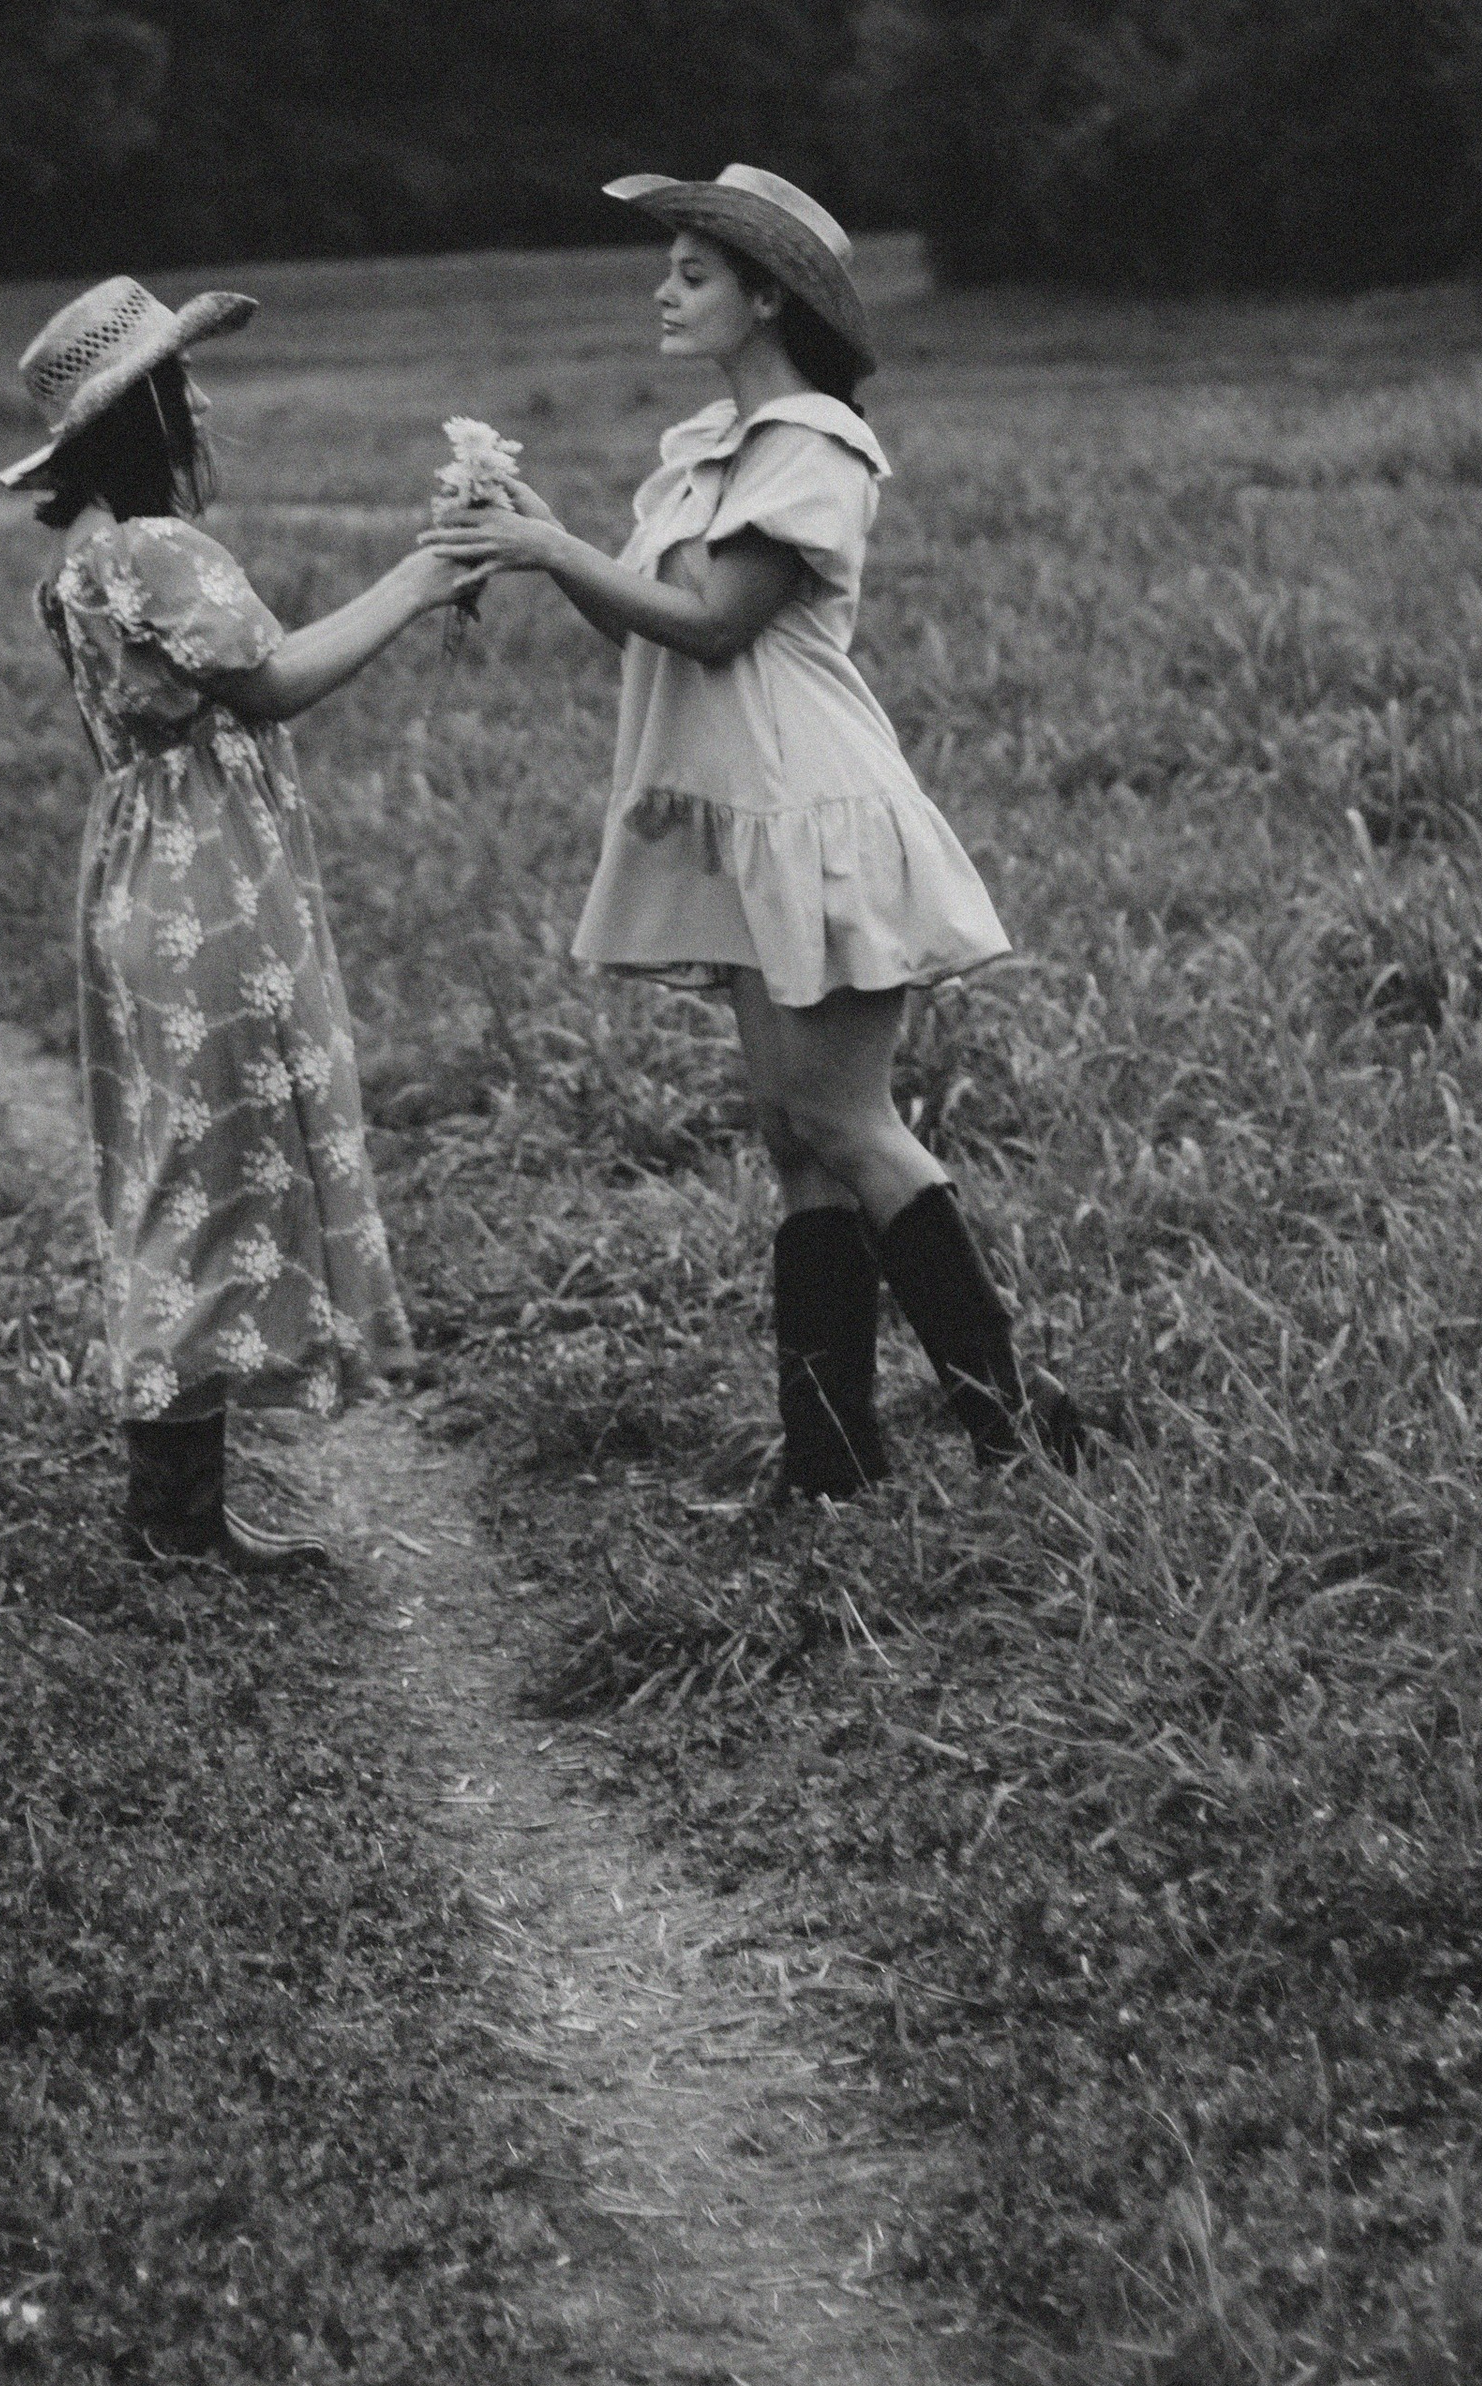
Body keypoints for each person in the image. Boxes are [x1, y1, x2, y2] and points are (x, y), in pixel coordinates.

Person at [427, 165, 1096, 1493]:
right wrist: (547, 535)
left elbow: (724, 625)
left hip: (813, 807)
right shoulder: (707, 452)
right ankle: (830, 1456)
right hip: (743, 813)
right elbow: (642, 619)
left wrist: (555, 556)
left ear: (766, 291)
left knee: (848, 1121)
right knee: (793, 1136)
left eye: (692, 272)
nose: (662, 291)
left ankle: (1020, 1427)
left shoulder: (816, 445)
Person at [1, 275, 470, 1569]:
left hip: (141, 874)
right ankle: (172, 1517)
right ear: (143, 411)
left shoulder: (82, 559)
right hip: (209, 881)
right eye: (178, 379)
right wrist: (421, 579)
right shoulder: (158, 551)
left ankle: (184, 1503)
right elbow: (272, 683)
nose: (200, 397)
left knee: (183, 1154)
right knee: (209, 1166)